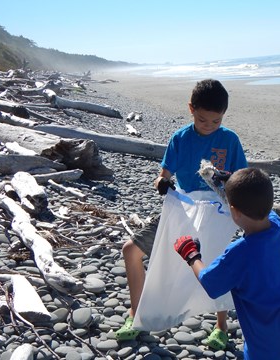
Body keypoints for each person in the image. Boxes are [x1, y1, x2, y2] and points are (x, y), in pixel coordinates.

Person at [116, 79, 248, 351]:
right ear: (191, 109)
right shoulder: (180, 138)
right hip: (184, 207)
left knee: (217, 264)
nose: (209, 126)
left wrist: (225, 181)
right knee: (131, 250)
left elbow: (240, 179)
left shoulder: (229, 140)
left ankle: (221, 325)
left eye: (216, 121)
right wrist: (162, 183)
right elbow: (163, 175)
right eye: (202, 120)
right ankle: (135, 314)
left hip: (217, 212)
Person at [173, 168, 280, 360]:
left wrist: (191, 255)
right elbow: (259, 204)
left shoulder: (240, 252)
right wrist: (231, 185)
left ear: (234, 211)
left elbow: (209, 283)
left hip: (264, 344)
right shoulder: (277, 226)